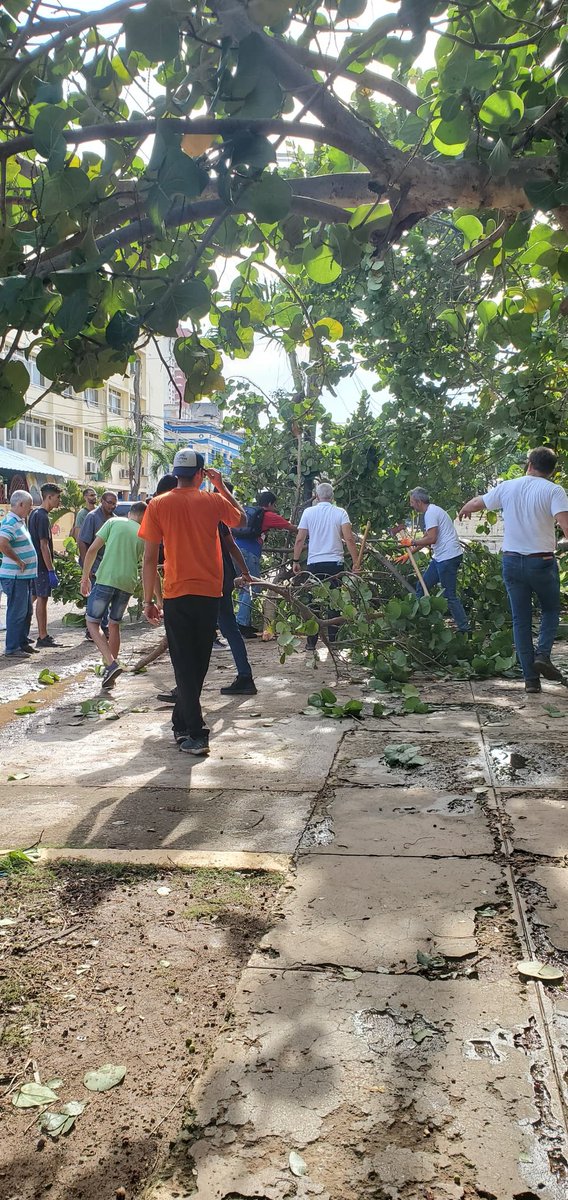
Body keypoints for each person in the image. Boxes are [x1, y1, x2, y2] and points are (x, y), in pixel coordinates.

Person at [138, 449, 246, 756]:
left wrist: (148, 600)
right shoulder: (213, 501)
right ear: (200, 473)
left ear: (175, 473)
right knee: (196, 662)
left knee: (187, 664)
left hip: (175, 593)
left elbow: (149, 560)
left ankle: (181, 724)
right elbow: (241, 519)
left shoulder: (157, 504)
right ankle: (196, 732)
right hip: (209, 593)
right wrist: (221, 486)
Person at [459, 447, 568, 693]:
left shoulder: (508, 486)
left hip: (511, 562)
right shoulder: (554, 491)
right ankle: (543, 654)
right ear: (552, 470)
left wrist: (466, 507)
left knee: (521, 620)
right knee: (551, 610)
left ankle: (530, 681)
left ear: (529, 463)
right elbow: (566, 525)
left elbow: (479, 502)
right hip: (541, 562)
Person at [80, 502, 148, 688]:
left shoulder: (114, 522)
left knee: (92, 622)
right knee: (114, 624)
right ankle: (111, 673)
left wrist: (85, 577)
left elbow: (92, 549)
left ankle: (111, 663)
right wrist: (155, 598)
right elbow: (147, 566)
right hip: (127, 583)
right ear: (144, 516)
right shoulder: (144, 534)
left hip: (106, 579)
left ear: (131, 513)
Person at [292, 482, 360, 649]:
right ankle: (333, 641)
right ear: (333, 497)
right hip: (335, 563)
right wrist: (356, 562)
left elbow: (300, 539)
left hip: (314, 563)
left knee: (313, 602)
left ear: (316, 496)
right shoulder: (340, 513)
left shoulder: (308, 512)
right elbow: (349, 539)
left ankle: (311, 643)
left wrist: (295, 560)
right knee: (333, 602)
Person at [234, 490, 297, 637]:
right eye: (274, 505)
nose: (275, 508)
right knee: (253, 587)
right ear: (269, 504)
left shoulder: (248, 512)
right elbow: (291, 527)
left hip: (236, 550)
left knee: (242, 586)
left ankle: (244, 623)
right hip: (249, 553)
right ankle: (241, 624)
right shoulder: (268, 516)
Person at [408, 487, 469, 634]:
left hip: (448, 557)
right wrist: (409, 553)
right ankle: (420, 623)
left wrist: (412, 542)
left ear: (418, 501)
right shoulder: (432, 512)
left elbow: (431, 538)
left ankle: (465, 630)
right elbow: (427, 538)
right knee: (422, 586)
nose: (411, 505)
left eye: (412, 502)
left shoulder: (431, 513)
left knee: (449, 596)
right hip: (440, 557)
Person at [0, 490, 38, 659]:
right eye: (29, 506)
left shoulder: (19, 521)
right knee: (17, 611)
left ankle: (22, 642)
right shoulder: (10, 521)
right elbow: (2, 543)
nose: (30, 509)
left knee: (26, 610)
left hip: (24, 576)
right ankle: (12, 647)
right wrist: (18, 560)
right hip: (15, 576)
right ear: (21, 504)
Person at [78, 491, 117, 637]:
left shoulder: (114, 519)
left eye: (114, 504)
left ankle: (103, 627)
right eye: (109, 503)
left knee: (105, 598)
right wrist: (86, 566)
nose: (112, 506)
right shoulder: (92, 517)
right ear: (102, 501)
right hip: (94, 564)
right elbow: (82, 541)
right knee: (95, 598)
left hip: (107, 565)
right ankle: (91, 630)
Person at [28, 483, 63, 648]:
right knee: (42, 599)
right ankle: (42, 636)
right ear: (49, 497)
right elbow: (43, 545)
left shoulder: (34, 513)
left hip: (35, 564)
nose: (59, 501)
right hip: (42, 566)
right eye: (57, 497)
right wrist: (51, 570)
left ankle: (22, 632)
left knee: (31, 599)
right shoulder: (42, 516)